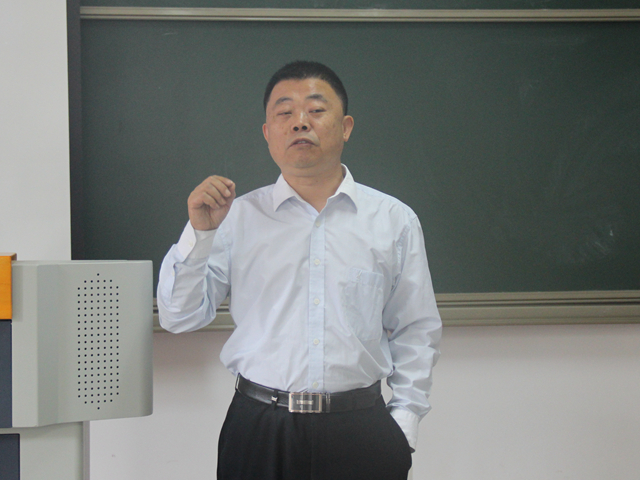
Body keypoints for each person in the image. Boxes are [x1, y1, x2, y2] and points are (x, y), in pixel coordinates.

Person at [157, 60, 441, 480]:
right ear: (267, 133)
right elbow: (178, 317)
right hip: (259, 429)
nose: (300, 122)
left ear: (345, 127)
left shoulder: (393, 220)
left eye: (316, 110)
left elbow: (416, 330)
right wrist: (200, 233)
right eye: (285, 112)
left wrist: (404, 424)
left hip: (361, 429)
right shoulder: (234, 219)